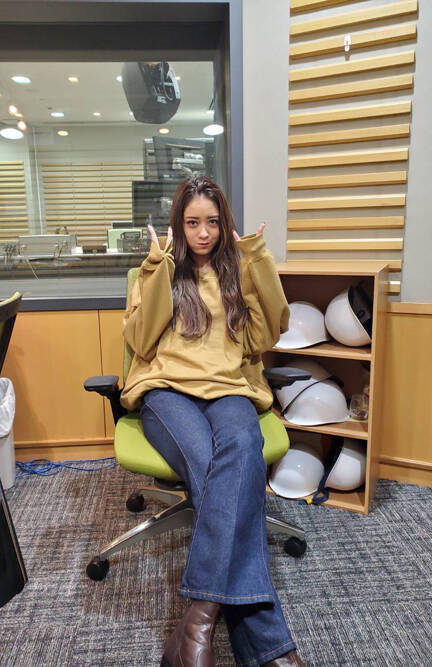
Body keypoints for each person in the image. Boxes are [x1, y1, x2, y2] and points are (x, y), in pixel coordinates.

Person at [120, 175, 304, 667]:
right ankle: (271, 649)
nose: (203, 233)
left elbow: (268, 334)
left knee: (241, 453)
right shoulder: (159, 268)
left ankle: (196, 620)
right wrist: (157, 270)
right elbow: (140, 340)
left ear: (225, 224)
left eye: (213, 223)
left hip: (229, 389)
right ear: (179, 225)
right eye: (192, 223)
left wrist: (258, 262)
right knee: (216, 474)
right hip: (167, 390)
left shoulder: (237, 271)